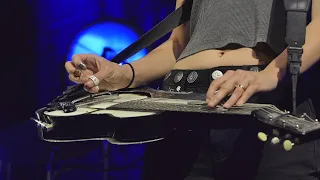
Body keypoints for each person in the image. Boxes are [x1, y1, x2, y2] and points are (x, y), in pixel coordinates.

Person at [65, 0, 320, 179]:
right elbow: (178, 44)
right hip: (182, 109)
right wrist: (124, 74)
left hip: (267, 107)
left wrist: (271, 74)